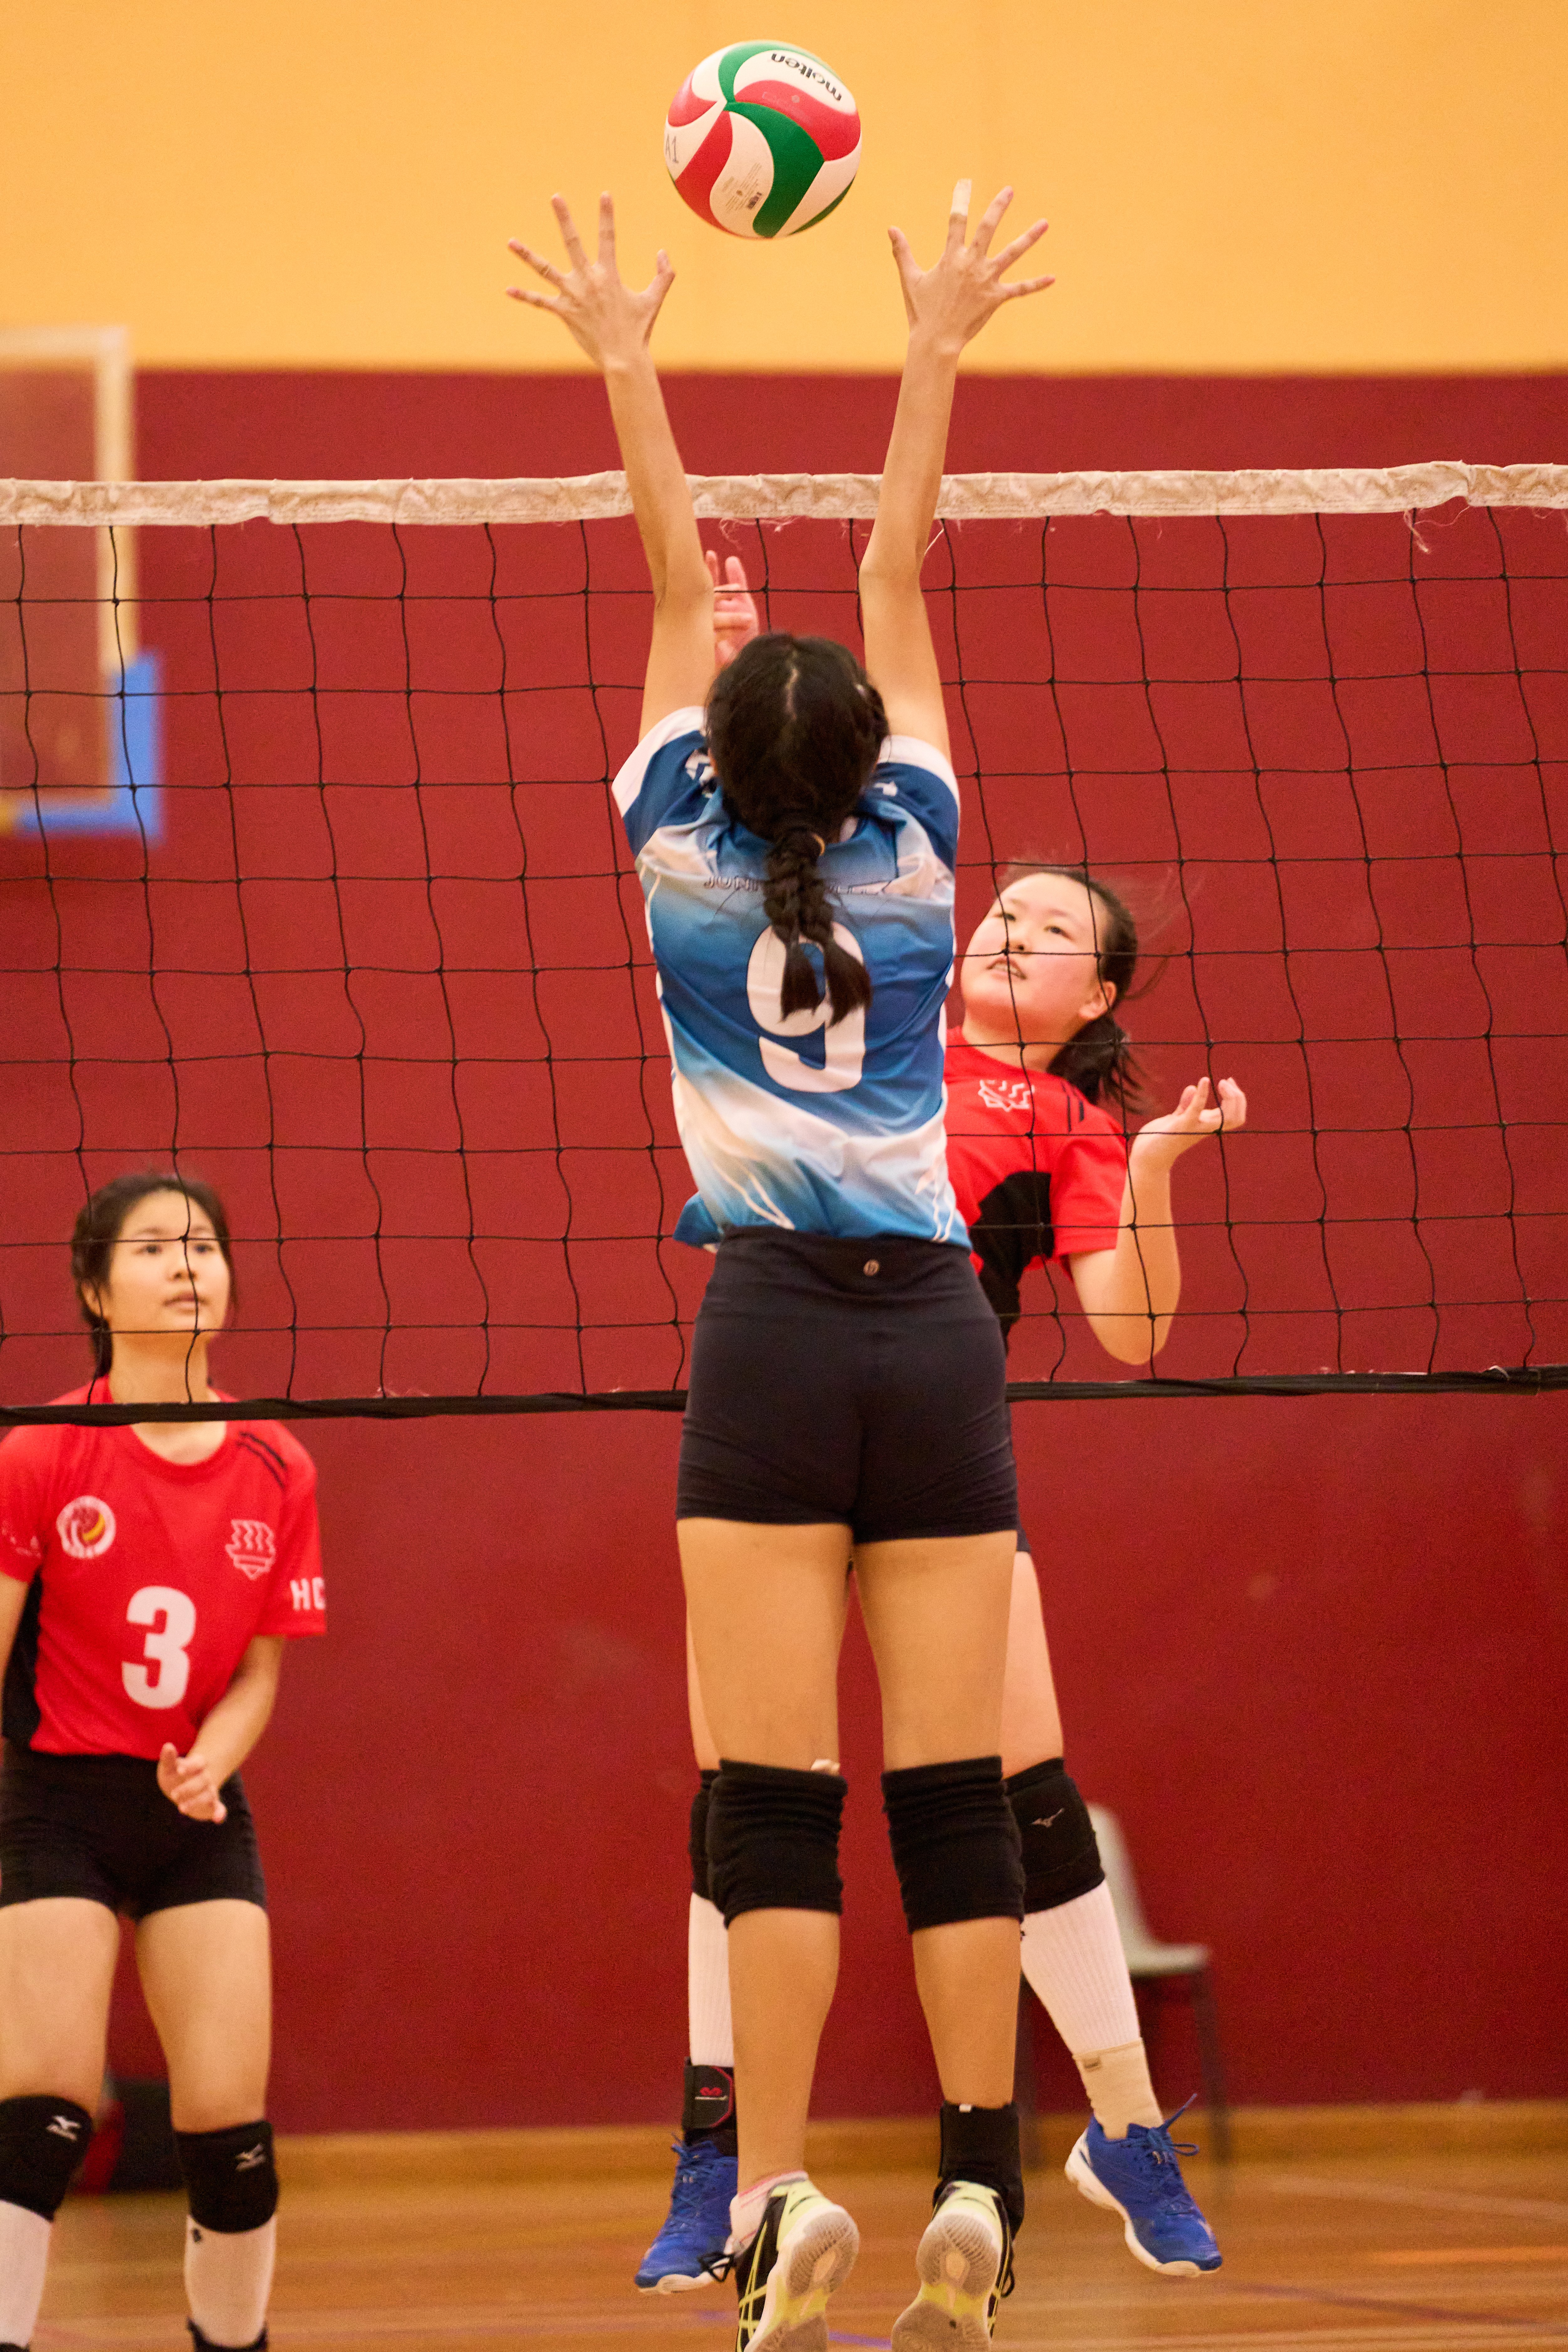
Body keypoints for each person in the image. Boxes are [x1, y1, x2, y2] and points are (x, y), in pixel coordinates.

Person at [509, 178, 1052, 2351]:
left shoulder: (668, 840)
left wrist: (625, 357)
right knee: (953, 1790)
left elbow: (674, 576)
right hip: (932, 1338)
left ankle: (785, 2184)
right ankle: (986, 2186)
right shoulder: (922, 844)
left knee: (770, 1798)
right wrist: (933, 345)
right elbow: (892, 566)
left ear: (724, 757)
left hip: (758, 1340)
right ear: (862, 764)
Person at [632, 574, 1247, 2293]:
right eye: (1010, 908)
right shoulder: (873, 972)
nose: (1013, 930)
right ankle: (721, 2157)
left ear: (1098, 993)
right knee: (755, 1795)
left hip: (932, 1450)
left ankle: (1082, 2133)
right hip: (782, 1400)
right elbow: (766, 812)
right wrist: (742, 672)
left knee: (1007, 1794)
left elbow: (1133, 1332)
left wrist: (1164, 1176)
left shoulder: (1062, 1119)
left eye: (1056, 930)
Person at [0, 1174, 327, 2352]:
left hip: (196, 1811)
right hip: (56, 1804)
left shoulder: (277, 1463)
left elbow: (260, 1673)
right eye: (153, 1248)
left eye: (205, 1245)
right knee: (40, 2118)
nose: (188, 1264)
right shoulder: (41, 1450)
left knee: (232, 2141)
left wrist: (213, 1761)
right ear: (96, 1288)